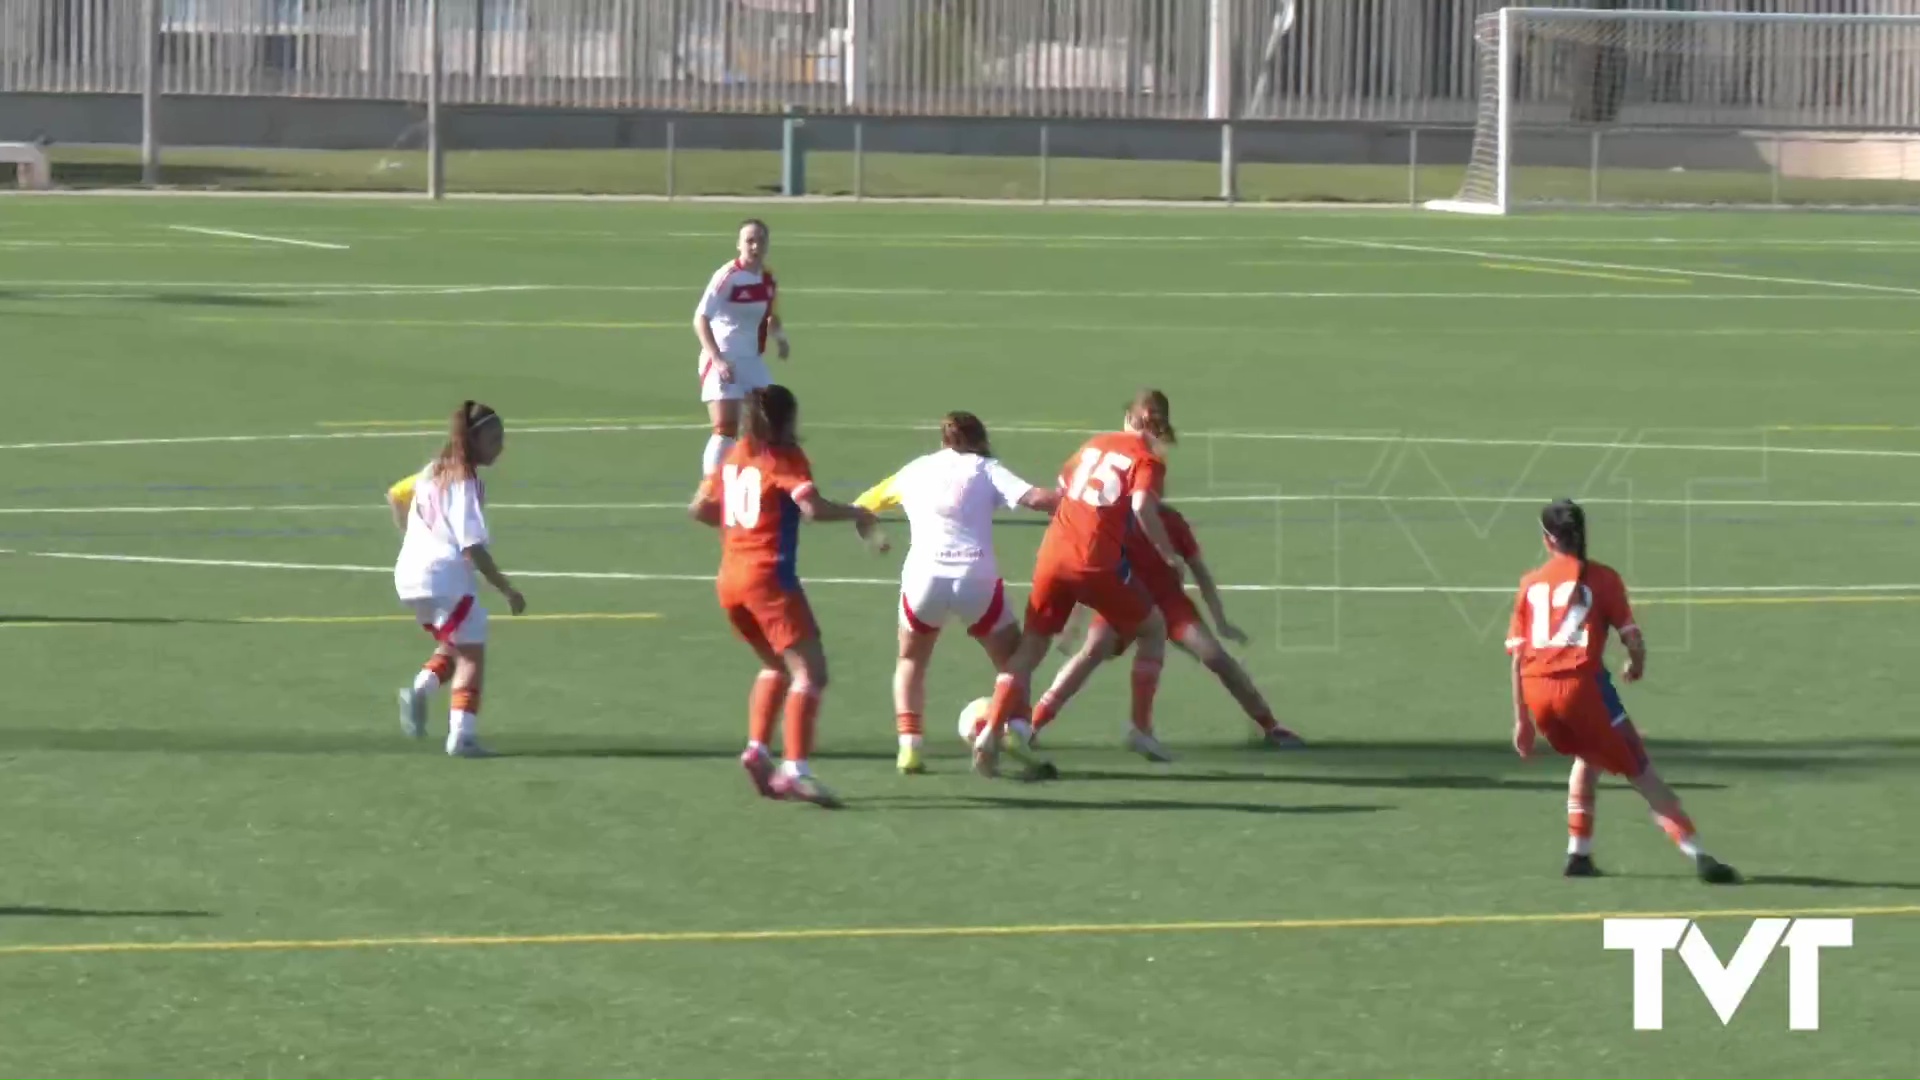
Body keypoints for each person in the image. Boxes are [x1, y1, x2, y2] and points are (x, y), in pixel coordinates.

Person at [1507, 498, 1739, 884]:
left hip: (1536, 694)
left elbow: (1516, 658)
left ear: (1548, 540)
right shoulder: (1603, 579)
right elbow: (1632, 638)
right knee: (1640, 769)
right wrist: (1637, 664)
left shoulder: (1529, 584)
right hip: (1582, 689)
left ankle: (1578, 854)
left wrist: (1522, 722)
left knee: (1588, 754)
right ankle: (1699, 855)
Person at [971, 389, 1184, 778]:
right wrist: (1168, 555)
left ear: (1127, 417)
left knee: (1031, 649)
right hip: (1094, 562)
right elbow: (1140, 506)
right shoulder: (1147, 459)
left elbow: (1065, 489)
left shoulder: (1091, 446)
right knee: (1153, 628)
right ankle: (1140, 728)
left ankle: (989, 735)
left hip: (1053, 555)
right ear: (1156, 424)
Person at [690, 384, 880, 807]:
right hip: (769, 579)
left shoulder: (734, 455)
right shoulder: (786, 457)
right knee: (811, 674)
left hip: (730, 579)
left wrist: (737, 532)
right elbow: (812, 508)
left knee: (775, 666)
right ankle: (795, 769)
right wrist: (858, 512)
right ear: (785, 420)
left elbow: (700, 509)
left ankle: (757, 749)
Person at [852, 411, 1059, 775]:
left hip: (924, 579)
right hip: (974, 577)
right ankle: (1017, 732)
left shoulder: (914, 469)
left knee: (911, 661)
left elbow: (861, 507)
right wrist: (1082, 502)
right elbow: (1037, 499)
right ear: (979, 439)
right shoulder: (986, 468)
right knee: (1014, 661)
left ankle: (910, 747)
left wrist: (877, 539)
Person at [1028, 501, 1302, 760]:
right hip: (1123, 599)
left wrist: (1220, 621)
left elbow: (1200, 571)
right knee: (1092, 651)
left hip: (1169, 603)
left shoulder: (1172, 521)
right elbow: (1092, 571)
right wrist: (1074, 623)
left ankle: (1270, 725)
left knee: (1216, 657)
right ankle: (1033, 724)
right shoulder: (1114, 521)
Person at [389, 401, 527, 758]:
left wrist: (412, 538)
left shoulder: (432, 469)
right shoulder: (465, 482)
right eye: (494, 439)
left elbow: (395, 495)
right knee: (472, 655)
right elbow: (472, 547)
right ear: (473, 440)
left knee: (457, 642)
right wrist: (506, 588)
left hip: (409, 576)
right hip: (444, 575)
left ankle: (421, 691)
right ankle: (462, 736)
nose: (501, 446)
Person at [694, 218, 788, 482]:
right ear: (739, 244)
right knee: (726, 428)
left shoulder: (768, 279)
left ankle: (765, 482)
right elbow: (700, 319)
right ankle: (710, 490)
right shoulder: (727, 276)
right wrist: (717, 359)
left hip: (752, 361)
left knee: (770, 422)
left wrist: (780, 339)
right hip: (725, 357)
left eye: (760, 240)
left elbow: (770, 315)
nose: (755, 246)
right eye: (749, 240)